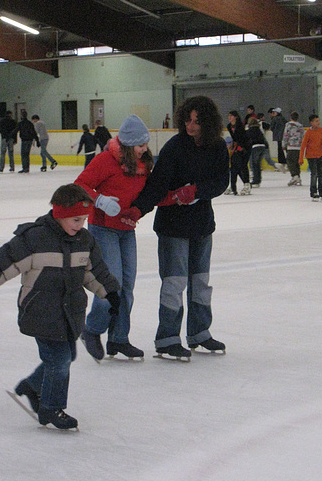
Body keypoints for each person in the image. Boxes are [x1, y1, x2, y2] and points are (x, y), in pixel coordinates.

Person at [0, 184, 121, 430]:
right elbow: (4, 262)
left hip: (70, 312)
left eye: (84, 219)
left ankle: (32, 386)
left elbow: (94, 272)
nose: (80, 224)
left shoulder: (84, 240)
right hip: (41, 311)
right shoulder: (35, 238)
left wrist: (110, 293)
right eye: (75, 219)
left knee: (65, 356)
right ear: (59, 214)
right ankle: (50, 409)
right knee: (59, 359)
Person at [121, 96, 229, 360]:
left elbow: (221, 181)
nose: (191, 126)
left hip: (202, 225)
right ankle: (167, 338)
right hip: (173, 227)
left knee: (200, 282)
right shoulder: (175, 147)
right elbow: (157, 185)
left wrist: (198, 191)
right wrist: (138, 209)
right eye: (188, 120)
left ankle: (199, 333)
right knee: (174, 283)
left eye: (197, 121)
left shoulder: (216, 147)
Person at [74, 115, 153, 361]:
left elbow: (152, 193)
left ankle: (119, 338)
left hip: (127, 230)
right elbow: (79, 185)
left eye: (146, 143)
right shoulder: (105, 160)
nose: (145, 149)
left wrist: (181, 196)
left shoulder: (142, 164)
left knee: (127, 286)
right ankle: (92, 329)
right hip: (104, 229)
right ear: (128, 145)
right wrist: (99, 200)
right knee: (112, 283)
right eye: (140, 145)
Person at [299, 114, 322, 201]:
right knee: (314, 174)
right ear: (311, 122)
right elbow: (303, 146)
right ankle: (313, 192)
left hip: (319, 155)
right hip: (311, 156)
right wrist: (300, 158)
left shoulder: (321, 130)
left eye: (318, 120)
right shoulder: (308, 133)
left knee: (321, 174)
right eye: (316, 121)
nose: (318, 122)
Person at [226, 110, 251, 195]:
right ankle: (233, 185)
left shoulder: (240, 126)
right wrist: (233, 146)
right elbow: (235, 138)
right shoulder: (229, 126)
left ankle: (247, 184)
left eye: (231, 115)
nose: (229, 117)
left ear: (235, 117)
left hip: (245, 147)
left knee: (243, 165)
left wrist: (241, 147)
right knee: (235, 166)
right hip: (237, 147)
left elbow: (243, 138)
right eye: (229, 115)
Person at [282, 111, 304, 185]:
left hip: (291, 146)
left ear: (290, 117)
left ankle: (294, 176)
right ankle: (298, 176)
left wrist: (284, 145)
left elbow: (286, 135)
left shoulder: (288, 125)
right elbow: (302, 136)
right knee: (297, 162)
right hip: (298, 147)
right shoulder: (300, 126)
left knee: (290, 162)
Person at [246, 117, 268, 187]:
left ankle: (256, 180)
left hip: (255, 147)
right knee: (258, 164)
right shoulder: (259, 130)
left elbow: (247, 139)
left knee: (254, 164)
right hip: (262, 147)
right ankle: (258, 180)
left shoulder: (250, 130)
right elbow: (264, 139)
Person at [268, 107, 287, 172]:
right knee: (282, 149)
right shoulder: (283, 119)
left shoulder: (275, 119)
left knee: (279, 150)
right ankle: (284, 162)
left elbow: (271, 127)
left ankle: (282, 162)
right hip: (283, 136)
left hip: (278, 136)